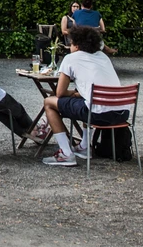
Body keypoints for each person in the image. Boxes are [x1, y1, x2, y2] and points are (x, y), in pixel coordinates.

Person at [39, 26, 128, 166]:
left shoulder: (70, 58)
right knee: (86, 99)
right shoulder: (103, 56)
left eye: (71, 43)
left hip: (97, 114)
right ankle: (85, 146)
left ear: (77, 45)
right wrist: (80, 94)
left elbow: (60, 93)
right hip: (121, 113)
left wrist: (74, 93)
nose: (70, 47)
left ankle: (66, 153)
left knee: (49, 102)